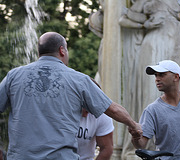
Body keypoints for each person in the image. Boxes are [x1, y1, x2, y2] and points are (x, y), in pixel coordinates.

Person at [0, 32, 142, 160]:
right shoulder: (78, 80)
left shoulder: (14, 76)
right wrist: (133, 125)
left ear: (39, 53)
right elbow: (113, 109)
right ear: (62, 50)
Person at [130, 60, 180, 160]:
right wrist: (135, 137)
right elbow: (141, 145)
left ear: (176, 77)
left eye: (162, 75)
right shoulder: (152, 110)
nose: (157, 79)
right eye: (156, 75)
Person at [77, 78, 114, 160]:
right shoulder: (62, 110)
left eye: (91, 109)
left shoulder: (102, 115)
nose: (87, 113)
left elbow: (107, 148)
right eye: (85, 107)